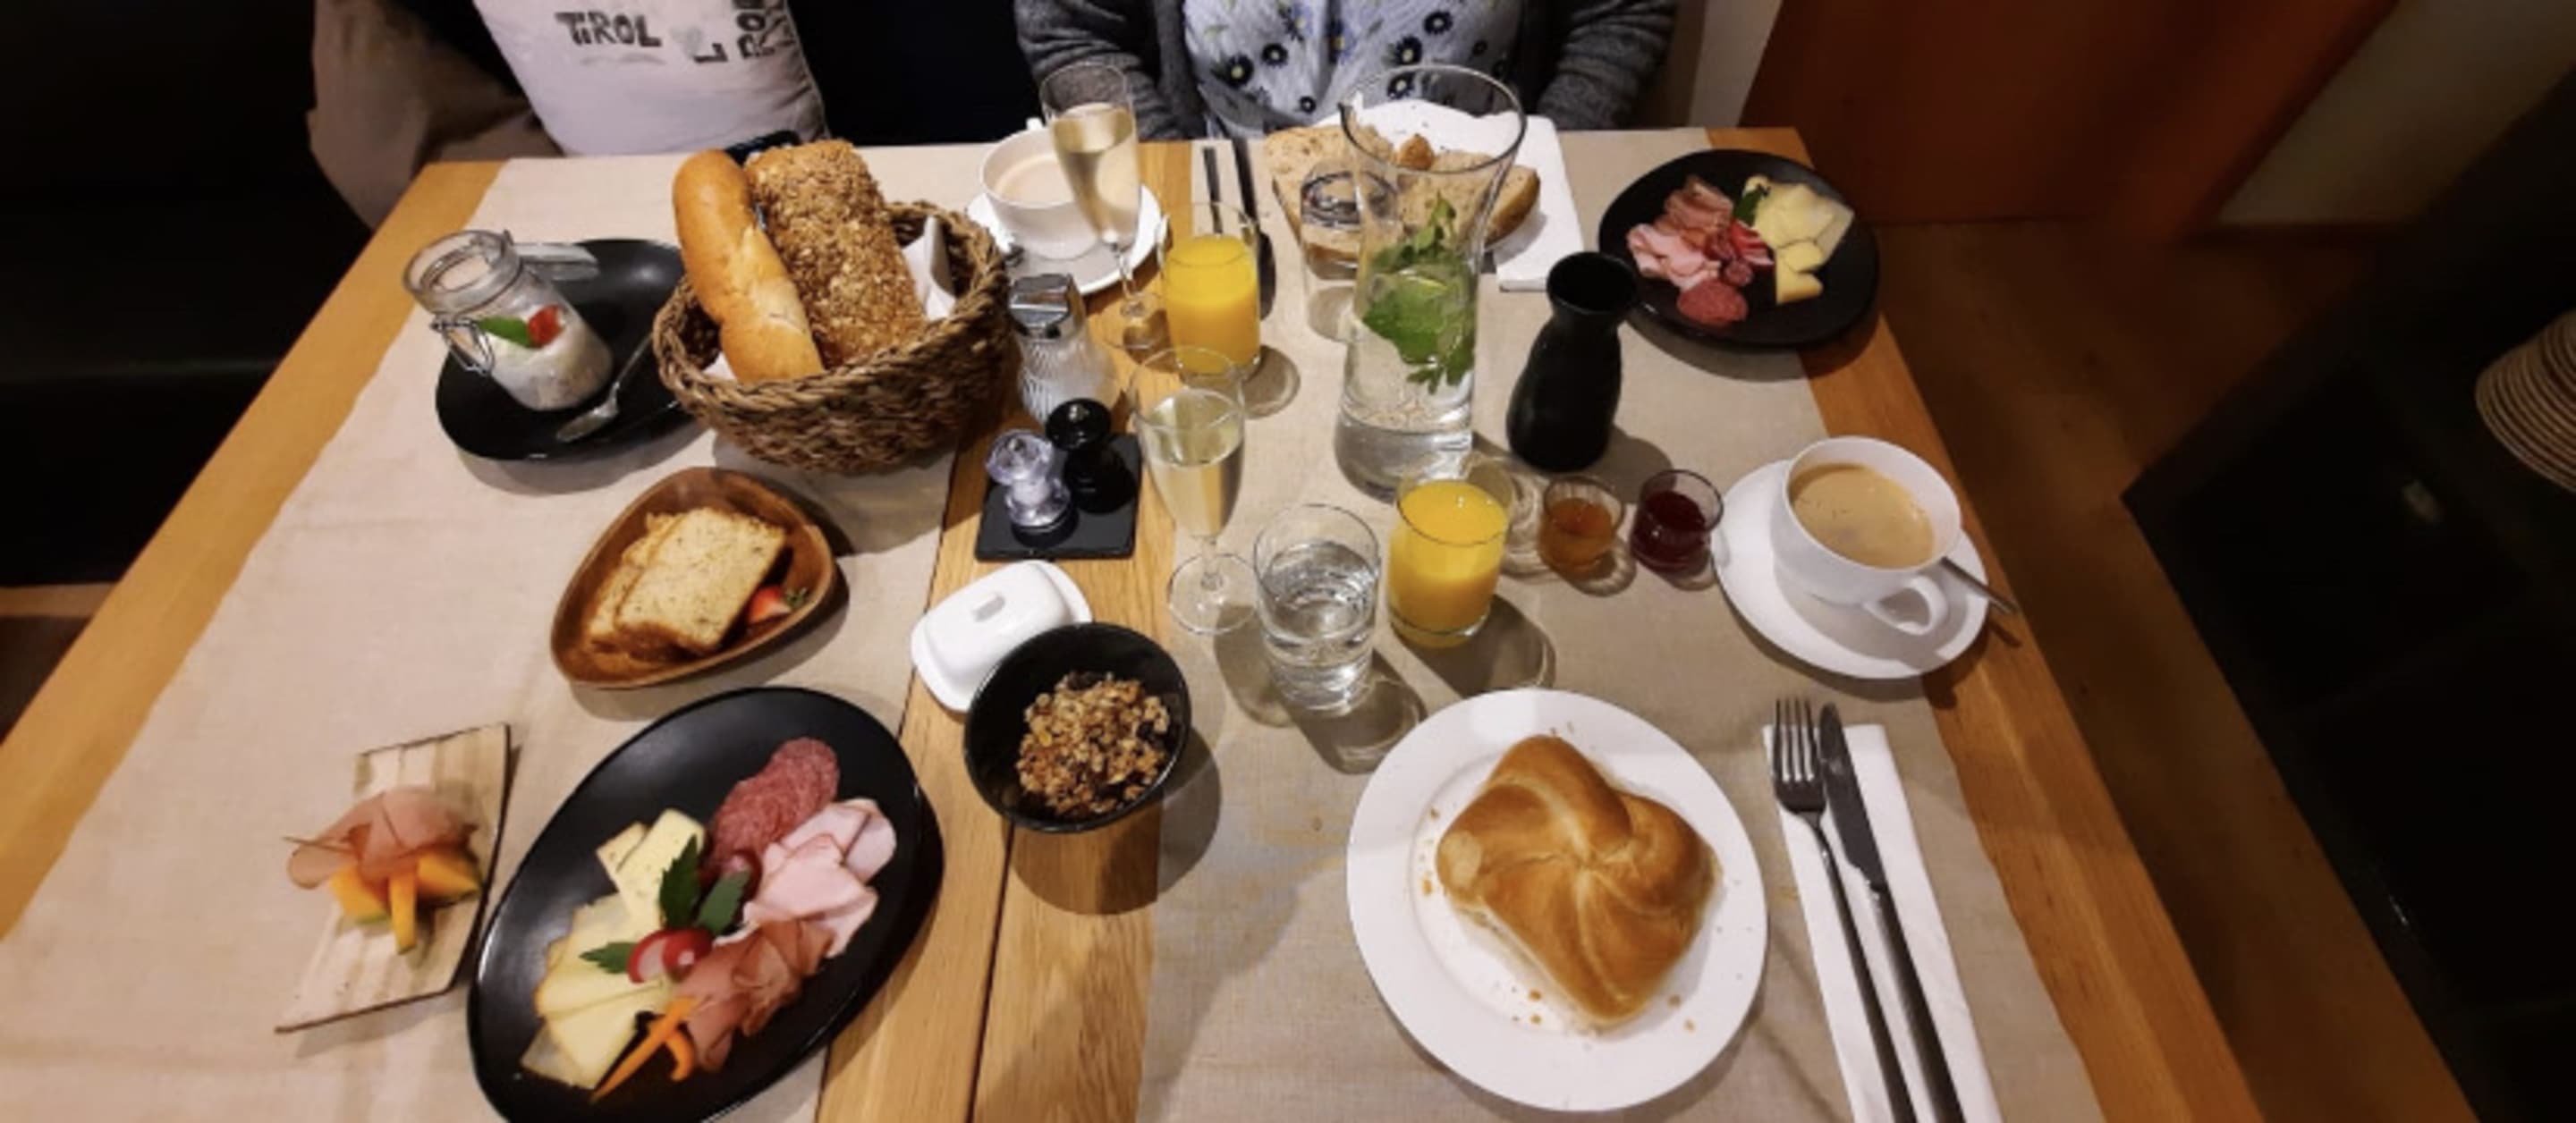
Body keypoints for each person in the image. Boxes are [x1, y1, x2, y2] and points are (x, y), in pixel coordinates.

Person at [1015, 0, 1675, 139]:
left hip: (1474, 206)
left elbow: (1622, 13)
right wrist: (1172, 173)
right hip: (1223, 210)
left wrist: (1540, 162)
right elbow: (1070, 29)